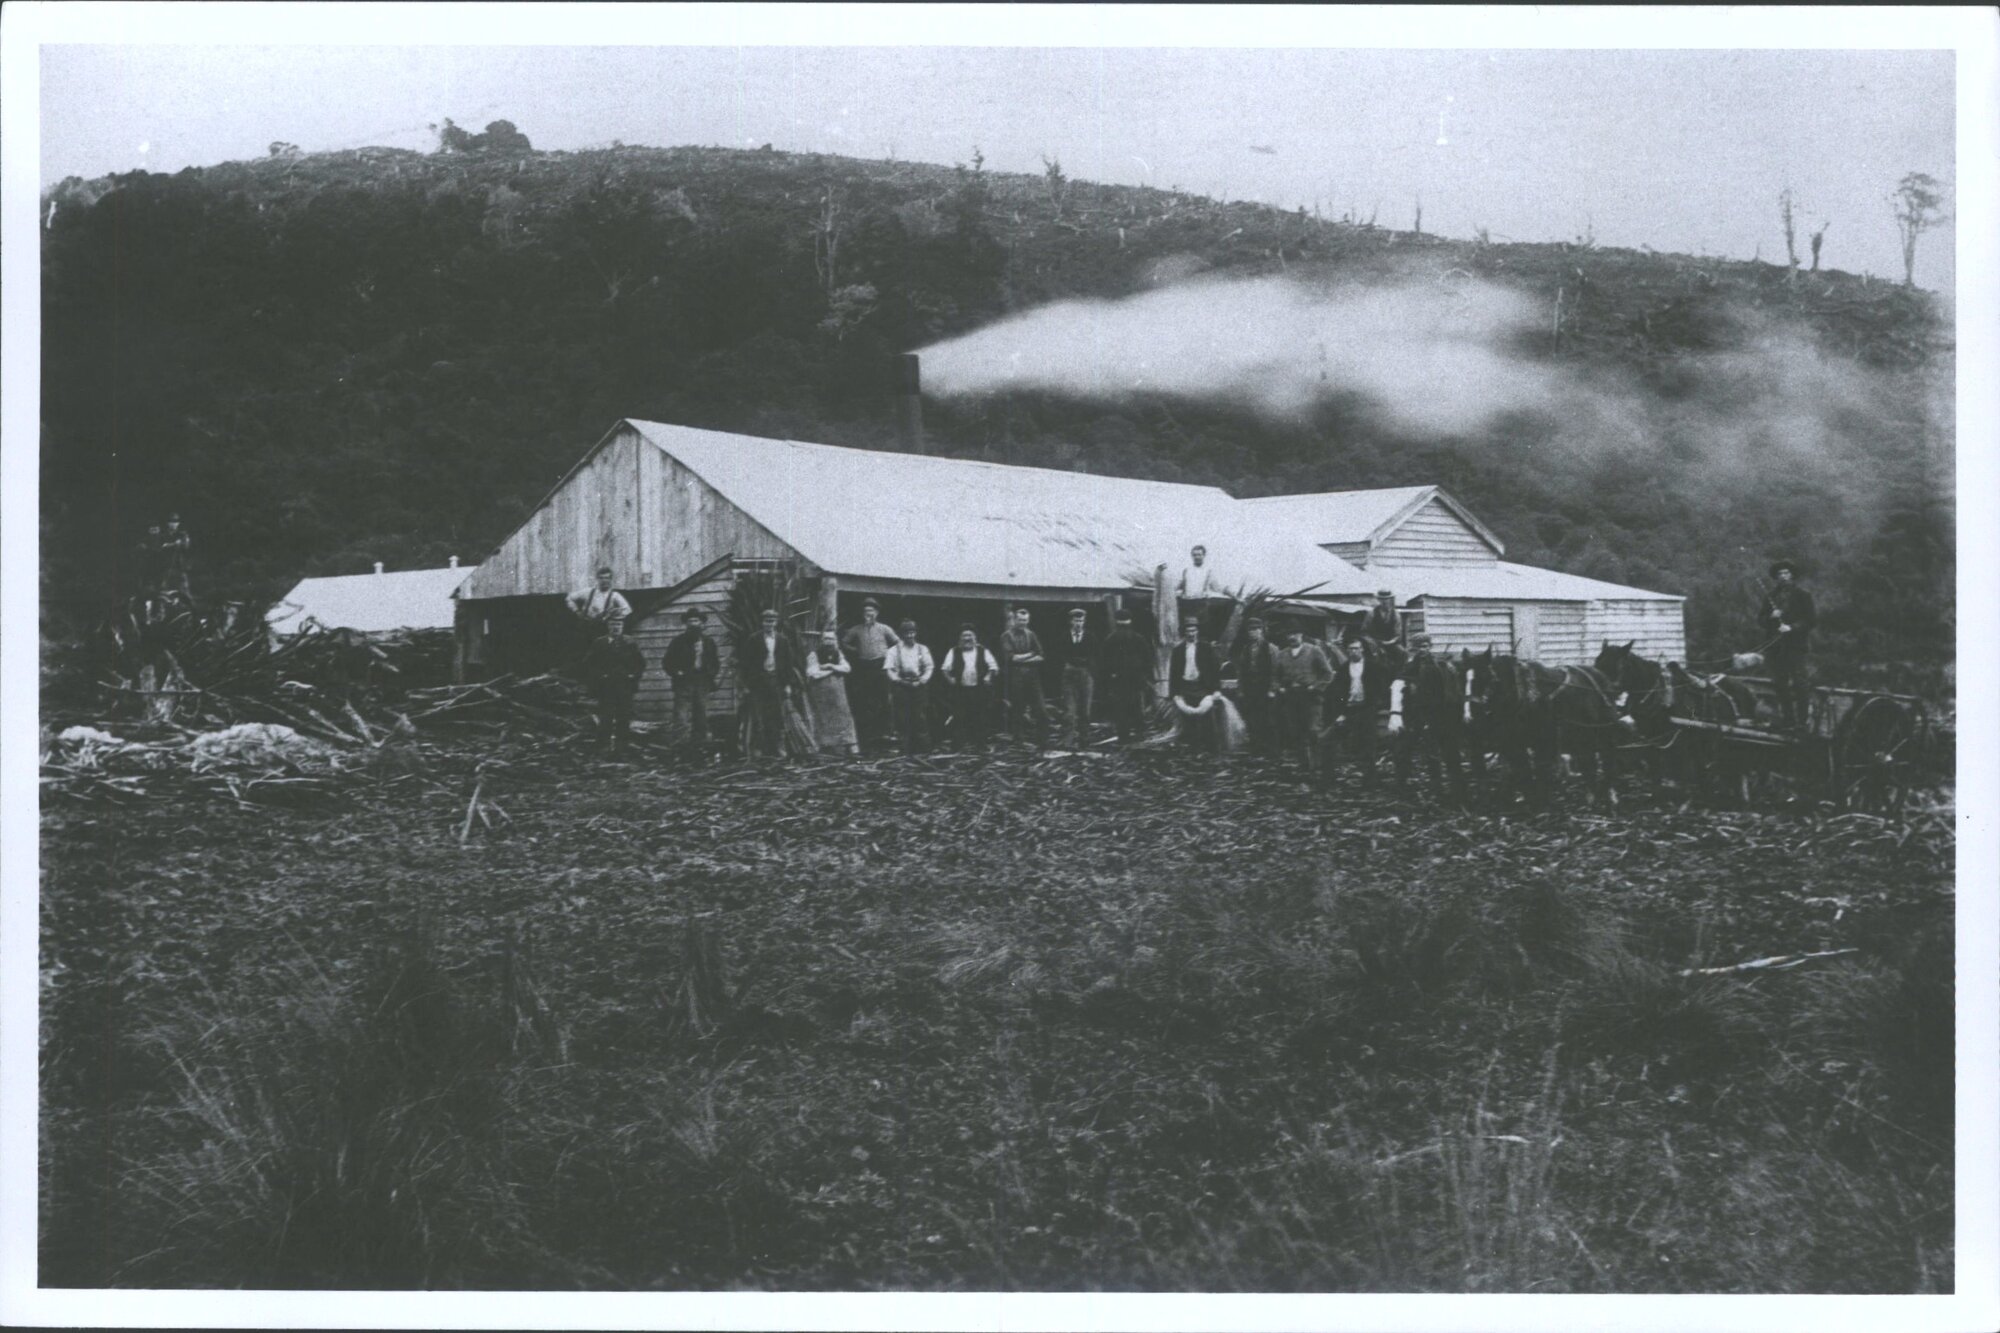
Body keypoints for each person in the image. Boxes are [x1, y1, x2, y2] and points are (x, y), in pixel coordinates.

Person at [1760, 559, 1817, 731]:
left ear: (1792, 575)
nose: (1783, 577)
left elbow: (1811, 620)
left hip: (1796, 646)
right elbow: (1760, 619)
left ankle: (1802, 722)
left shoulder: (1803, 595)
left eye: (1786, 573)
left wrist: (1791, 627)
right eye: (1779, 574)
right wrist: (1771, 616)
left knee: (1800, 683)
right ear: (1776, 578)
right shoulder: (1770, 597)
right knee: (1780, 683)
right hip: (1776, 647)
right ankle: (1788, 720)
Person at [1272, 624, 1335, 774]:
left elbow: (1328, 674)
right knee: (1296, 732)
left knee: (1313, 730)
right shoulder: (1282, 654)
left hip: (1311, 696)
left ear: (1301, 635)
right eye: (1289, 634)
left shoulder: (1314, 651)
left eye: (1296, 633)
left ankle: (1319, 765)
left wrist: (1315, 687)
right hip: (1291, 696)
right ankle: (1304, 765)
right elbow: (1274, 676)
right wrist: (1279, 688)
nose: (1292, 637)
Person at [738, 607, 799, 758]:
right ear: (762, 622)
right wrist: (746, 685)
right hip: (758, 682)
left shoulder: (782, 640)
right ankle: (758, 748)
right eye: (766, 621)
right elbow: (745, 663)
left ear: (776, 623)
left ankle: (778, 747)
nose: (769, 624)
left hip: (776, 681)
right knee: (758, 716)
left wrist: (787, 684)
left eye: (772, 621)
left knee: (777, 715)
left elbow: (788, 663)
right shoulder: (754, 639)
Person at [841, 599, 901, 751]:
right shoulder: (856, 629)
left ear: (877, 613)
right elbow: (844, 642)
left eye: (871, 612)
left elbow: (897, 642)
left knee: (885, 698)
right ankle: (869, 736)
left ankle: (887, 733)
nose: (869, 615)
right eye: (866, 612)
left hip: (881, 665)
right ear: (863, 614)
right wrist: (856, 650)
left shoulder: (884, 628)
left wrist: (888, 654)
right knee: (867, 700)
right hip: (865, 667)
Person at [580, 620, 646, 755]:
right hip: (606, 687)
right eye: (613, 624)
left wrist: (633, 675)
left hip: (625, 686)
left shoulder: (630, 642)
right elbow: (588, 663)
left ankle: (622, 748)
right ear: (608, 626)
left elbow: (640, 663)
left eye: (619, 624)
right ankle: (603, 747)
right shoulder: (600, 643)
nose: (616, 628)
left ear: (622, 626)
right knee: (606, 716)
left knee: (624, 716)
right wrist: (600, 676)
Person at [662, 608, 720, 756]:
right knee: (681, 716)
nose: (693, 624)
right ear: (686, 624)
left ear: (702, 623)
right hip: (684, 682)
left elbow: (715, 662)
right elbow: (667, 662)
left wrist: (710, 675)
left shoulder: (708, 642)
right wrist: (677, 673)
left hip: (702, 682)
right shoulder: (678, 641)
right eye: (690, 621)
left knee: (701, 714)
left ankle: (700, 748)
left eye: (696, 621)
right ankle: (681, 749)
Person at [937, 625, 1000, 749]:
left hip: (978, 689)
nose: (967, 638)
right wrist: (950, 679)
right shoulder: (954, 651)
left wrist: (988, 675)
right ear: (960, 638)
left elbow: (994, 667)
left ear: (975, 638)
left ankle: (981, 744)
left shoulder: (983, 650)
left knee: (980, 717)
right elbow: (944, 668)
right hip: (961, 690)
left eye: (970, 635)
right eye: (964, 636)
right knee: (959, 717)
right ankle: (957, 746)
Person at [1101, 609, 1155, 746]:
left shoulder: (1112, 638)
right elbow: (1148, 660)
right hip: (1128, 680)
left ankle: (1127, 737)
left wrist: (1110, 677)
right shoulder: (1136, 638)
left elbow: (1104, 662)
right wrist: (1146, 676)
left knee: (1124, 709)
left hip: (1126, 680)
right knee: (1133, 708)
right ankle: (1137, 736)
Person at [1050, 606, 1100, 749]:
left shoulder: (1090, 637)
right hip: (1069, 676)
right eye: (1076, 620)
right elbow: (1058, 656)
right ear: (1070, 621)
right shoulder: (1063, 637)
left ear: (1084, 622)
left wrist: (1090, 672)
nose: (1078, 623)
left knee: (1085, 710)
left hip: (1085, 675)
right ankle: (1068, 741)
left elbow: (1095, 656)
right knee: (1069, 711)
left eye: (1081, 620)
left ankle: (1085, 740)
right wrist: (1066, 667)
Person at [804, 630, 860, 756]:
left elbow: (846, 668)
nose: (829, 642)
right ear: (821, 641)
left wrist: (830, 666)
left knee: (843, 717)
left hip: (838, 693)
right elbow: (813, 673)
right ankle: (826, 746)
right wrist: (832, 670)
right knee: (824, 718)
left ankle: (849, 745)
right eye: (826, 639)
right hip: (821, 692)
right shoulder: (814, 655)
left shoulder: (838, 653)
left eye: (832, 639)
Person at [999, 607, 1049, 746]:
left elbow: (1041, 656)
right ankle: (1018, 741)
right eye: (1020, 620)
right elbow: (1011, 658)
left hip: (1033, 678)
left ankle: (1042, 741)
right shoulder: (1006, 636)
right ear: (1015, 620)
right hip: (1016, 679)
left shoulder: (1031, 634)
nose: (1023, 623)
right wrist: (1030, 654)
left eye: (1025, 620)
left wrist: (1023, 658)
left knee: (1041, 710)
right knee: (1018, 710)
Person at [883, 619, 935, 755]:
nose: (910, 636)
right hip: (901, 686)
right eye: (907, 633)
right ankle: (905, 750)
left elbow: (929, 667)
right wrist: (898, 681)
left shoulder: (922, 649)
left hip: (918, 686)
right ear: (901, 635)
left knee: (920, 717)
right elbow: (889, 669)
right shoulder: (893, 651)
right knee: (902, 718)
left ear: (916, 633)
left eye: (912, 633)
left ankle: (924, 750)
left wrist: (922, 681)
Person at [1233, 617, 1280, 756]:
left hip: (1265, 688)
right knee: (1252, 718)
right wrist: (1241, 690)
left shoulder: (1271, 648)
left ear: (1261, 631)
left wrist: (1272, 689)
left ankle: (1272, 750)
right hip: (1250, 688)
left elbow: (1275, 670)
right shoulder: (1246, 649)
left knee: (1269, 719)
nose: (1252, 633)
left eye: (1255, 629)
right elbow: (1241, 671)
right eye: (1250, 630)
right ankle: (1256, 748)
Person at [568, 565, 632, 637]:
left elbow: (628, 609)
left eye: (607, 578)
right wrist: (577, 611)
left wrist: (612, 613)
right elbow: (569, 598)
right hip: (585, 626)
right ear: (597, 579)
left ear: (610, 580)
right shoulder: (588, 591)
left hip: (601, 628)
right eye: (601, 578)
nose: (604, 580)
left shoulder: (615, 596)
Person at [1178, 545, 1220, 639]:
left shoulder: (1208, 571)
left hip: (1201, 605)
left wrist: (1235, 596)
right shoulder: (1186, 570)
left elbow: (1218, 587)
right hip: (1186, 604)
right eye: (1194, 555)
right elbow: (1177, 585)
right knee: (1186, 631)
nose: (1196, 557)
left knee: (1202, 632)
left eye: (1199, 555)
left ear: (1204, 555)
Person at [157, 512, 192, 601]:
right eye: (171, 522)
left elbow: (186, 546)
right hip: (166, 568)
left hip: (180, 568)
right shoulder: (162, 535)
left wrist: (170, 545)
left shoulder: (182, 534)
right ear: (167, 523)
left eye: (175, 522)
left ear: (178, 523)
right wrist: (173, 544)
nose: (173, 524)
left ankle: (192, 612)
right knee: (164, 592)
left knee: (184, 592)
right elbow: (160, 547)